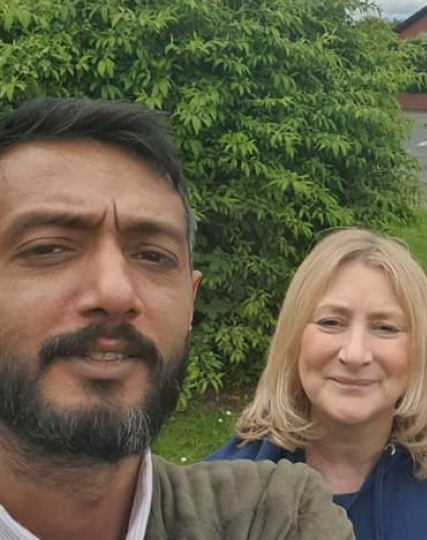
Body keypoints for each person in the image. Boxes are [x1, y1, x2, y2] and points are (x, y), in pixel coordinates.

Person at [0, 97, 354, 540]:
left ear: (189, 303)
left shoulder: (273, 516)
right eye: (48, 248)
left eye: (152, 256)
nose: (115, 292)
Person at [207, 229, 427, 540]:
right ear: (293, 340)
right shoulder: (223, 494)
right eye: (331, 322)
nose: (355, 354)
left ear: (419, 350)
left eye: (385, 328)